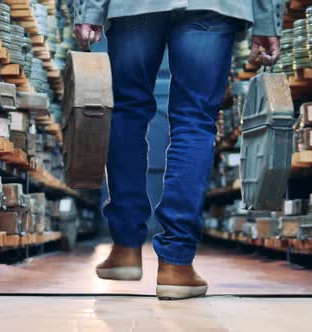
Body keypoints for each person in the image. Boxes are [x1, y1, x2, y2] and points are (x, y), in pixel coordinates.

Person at [73, 0, 284, 300]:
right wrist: (266, 22)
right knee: (195, 121)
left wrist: (89, 12)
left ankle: (126, 246)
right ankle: (176, 262)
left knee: (128, 114)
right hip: (212, 7)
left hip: (136, 8)